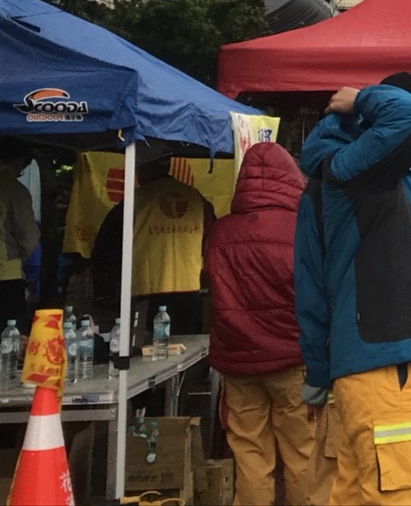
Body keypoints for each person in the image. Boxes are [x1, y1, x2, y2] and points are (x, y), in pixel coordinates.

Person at [295, 73, 411, 505]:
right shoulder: (362, 172)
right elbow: (407, 116)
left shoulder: (331, 181)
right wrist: (362, 98)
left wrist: (318, 374)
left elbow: (311, 287)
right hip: (391, 362)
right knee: (399, 494)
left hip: (358, 370)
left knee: (353, 492)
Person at [203, 142, 326, 506]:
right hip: (293, 359)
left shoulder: (221, 232)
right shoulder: (304, 228)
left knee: (250, 455)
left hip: (238, 361)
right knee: (303, 454)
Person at [93, 152, 214, 332]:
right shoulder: (196, 199)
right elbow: (212, 243)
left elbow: (105, 251)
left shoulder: (133, 202)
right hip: (190, 293)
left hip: (144, 292)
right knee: (188, 349)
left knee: (148, 352)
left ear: (142, 169)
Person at [0, 141, 38, 329]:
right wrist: (15, 259)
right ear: (19, 162)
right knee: (12, 339)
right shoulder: (14, 189)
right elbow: (28, 239)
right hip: (5, 275)